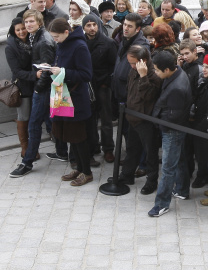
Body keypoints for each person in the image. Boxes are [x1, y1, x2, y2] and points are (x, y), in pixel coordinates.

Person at [47, 18, 95, 187]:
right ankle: (79, 167)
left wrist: (63, 72)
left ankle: (87, 172)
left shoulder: (79, 46)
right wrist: (52, 68)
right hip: (63, 96)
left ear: (66, 32)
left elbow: (86, 74)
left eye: (56, 36)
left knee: (78, 136)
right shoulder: (62, 44)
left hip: (76, 99)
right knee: (69, 136)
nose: (55, 40)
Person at [10, 10, 56, 176]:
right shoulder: (36, 37)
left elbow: (47, 68)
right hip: (41, 87)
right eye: (26, 22)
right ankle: (63, 152)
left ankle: (27, 162)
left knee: (34, 125)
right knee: (50, 122)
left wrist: (37, 89)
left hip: (42, 88)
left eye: (31, 22)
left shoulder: (42, 40)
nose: (28, 25)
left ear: (39, 22)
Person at [148, 52, 193, 217]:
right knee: (178, 160)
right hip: (174, 128)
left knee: (168, 168)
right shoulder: (177, 73)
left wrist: (158, 122)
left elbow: (172, 116)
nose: (155, 73)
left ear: (167, 69)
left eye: (157, 70)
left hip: (172, 130)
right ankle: (181, 189)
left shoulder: (177, 88)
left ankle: (161, 204)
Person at [119, 45, 162, 195]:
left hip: (146, 119)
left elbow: (149, 96)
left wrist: (143, 76)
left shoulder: (154, 74)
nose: (130, 66)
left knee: (150, 152)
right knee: (132, 148)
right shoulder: (133, 70)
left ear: (142, 61)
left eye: (133, 63)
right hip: (133, 116)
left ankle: (151, 181)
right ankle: (127, 175)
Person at [82, 14, 118, 163]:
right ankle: (93, 145)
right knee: (90, 118)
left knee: (106, 119)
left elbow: (113, 66)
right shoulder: (81, 42)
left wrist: (106, 82)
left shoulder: (108, 43)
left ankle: (108, 148)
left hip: (103, 85)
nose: (92, 28)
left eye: (94, 25)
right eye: (88, 25)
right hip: (87, 85)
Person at [5, 17, 36, 158]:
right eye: (18, 30)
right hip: (23, 86)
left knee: (33, 118)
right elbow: (16, 71)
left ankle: (33, 146)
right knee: (23, 116)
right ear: (13, 31)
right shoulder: (11, 47)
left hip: (35, 84)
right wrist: (35, 75)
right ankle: (25, 148)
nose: (21, 31)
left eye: (23, 28)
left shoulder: (33, 40)